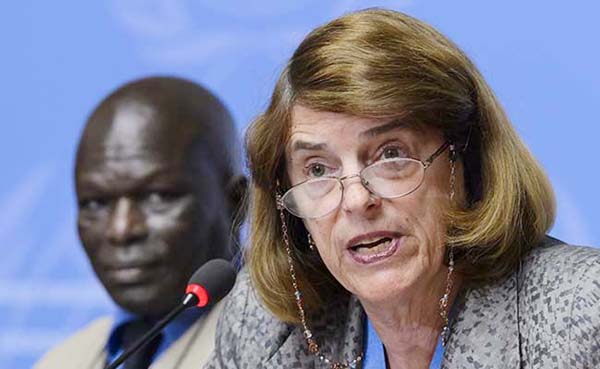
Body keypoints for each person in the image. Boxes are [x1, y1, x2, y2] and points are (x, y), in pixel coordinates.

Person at [206, 8, 600, 369]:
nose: (357, 200)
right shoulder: (266, 325)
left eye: (390, 155)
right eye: (318, 169)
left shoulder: (580, 311)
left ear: (465, 158)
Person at [35, 76, 246, 369]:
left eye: (158, 197)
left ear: (236, 202)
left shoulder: (287, 345)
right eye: (95, 203)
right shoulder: (62, 360)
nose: (121, 229)